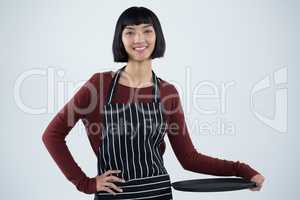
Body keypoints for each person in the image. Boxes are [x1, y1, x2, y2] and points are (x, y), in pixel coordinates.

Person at [42, 6, 265, 199]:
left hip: (158, 194)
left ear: (157, 36)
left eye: (147, 31)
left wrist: (242, 170)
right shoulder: (99, 84)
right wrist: (85, 183)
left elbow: (189, 159)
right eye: (130, 32)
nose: (139, 39)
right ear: (120, 39)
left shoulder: (167, 92)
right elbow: (52, 135)